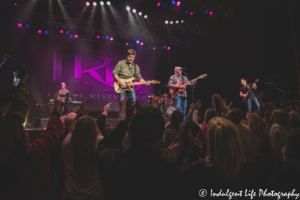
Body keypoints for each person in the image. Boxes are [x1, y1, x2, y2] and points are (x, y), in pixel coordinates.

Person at [96, 99, 183, 200]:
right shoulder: (168, 161)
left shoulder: (113, 161)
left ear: (130, 131)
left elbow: (102, 147)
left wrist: (125, 122)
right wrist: (149, 121)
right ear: (161, 134)